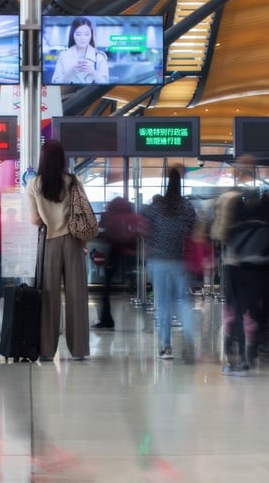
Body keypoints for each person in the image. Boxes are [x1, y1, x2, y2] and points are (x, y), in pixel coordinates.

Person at [26, 139, 89, 361]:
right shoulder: (74, 181)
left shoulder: (34, 184)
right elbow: (82, 214)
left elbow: (34, 219)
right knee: (76, 296)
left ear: (43, 159)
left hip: (49, 243)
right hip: (73, 242)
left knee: (48, 297)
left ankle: (45, 350)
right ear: (63, 159)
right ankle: (79, 350)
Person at [212, 187, 269, 375]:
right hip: (264, 278)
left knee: (238, 315)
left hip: (239, 274)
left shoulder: (239, 227)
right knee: (259, 315)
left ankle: (240, 360)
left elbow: (231, 250)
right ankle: (257, 348)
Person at [142, 168, 197, 360]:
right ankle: (190, 340)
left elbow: (143, 221)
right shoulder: (186, 206)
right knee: (182, 302)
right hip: (179, 260)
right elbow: (193, 228)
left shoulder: (156, 206)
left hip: (157, 260)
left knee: (163, 304)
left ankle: (166, 347)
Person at [93, 196, 139, 329]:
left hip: (115, 252)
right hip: (130, 253)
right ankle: (131, 288)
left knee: (106, 289)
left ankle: (106, 320)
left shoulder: (111, 216)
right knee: (127, 279)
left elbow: (104, 230)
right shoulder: (131, 216)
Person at [50, 17, 110, 85]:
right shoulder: (63, 56)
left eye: (87, 34)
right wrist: (70, 72)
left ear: (91, 35)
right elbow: (54, 82)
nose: (83, 38)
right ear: (73, 35)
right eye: (78, 34)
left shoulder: (99, 56)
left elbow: (106, 83)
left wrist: (93, 72)